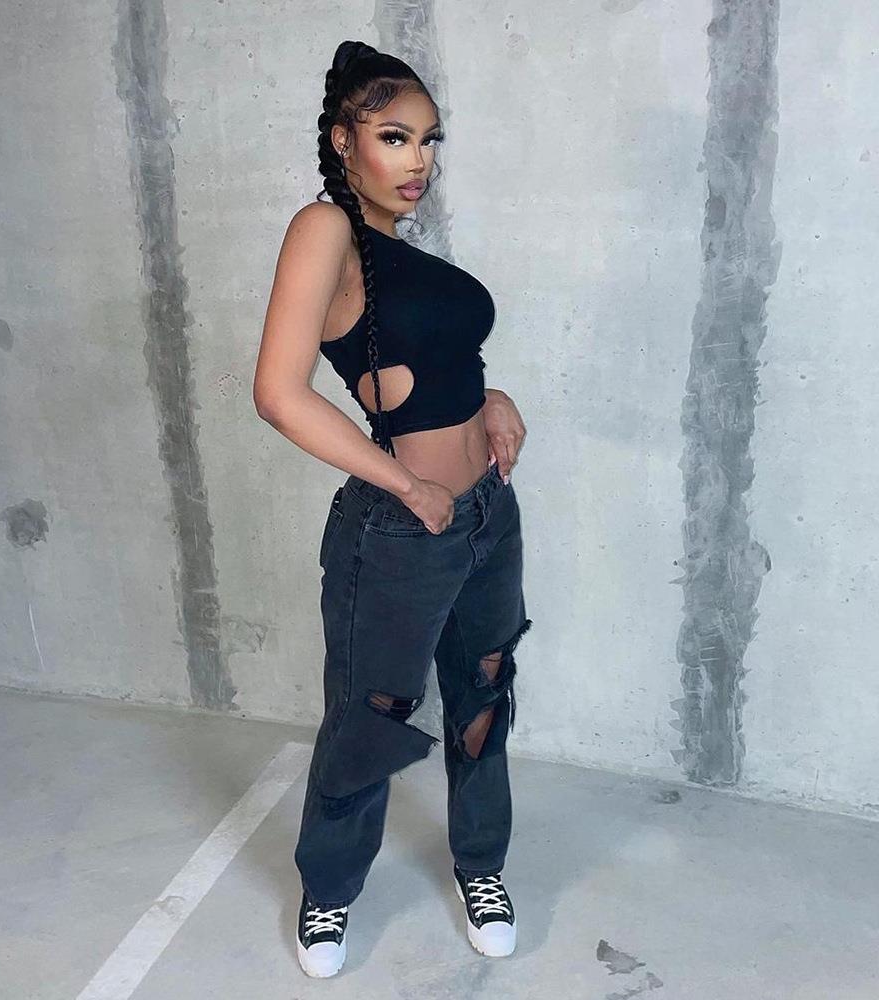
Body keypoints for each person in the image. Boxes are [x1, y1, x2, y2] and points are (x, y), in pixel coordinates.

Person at [253, 40, 532, 978]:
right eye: (395, 136)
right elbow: (278, 392)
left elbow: (437, 367)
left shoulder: (400, 255)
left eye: (429, 139)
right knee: (369, 719)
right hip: (402, 531)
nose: (420, 160)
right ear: (344, 140)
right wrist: (406, 484)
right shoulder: (324, 228)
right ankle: (329, 891)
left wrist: (492, 399)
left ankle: (481, 867)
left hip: (488, 516)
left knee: (484, 693)